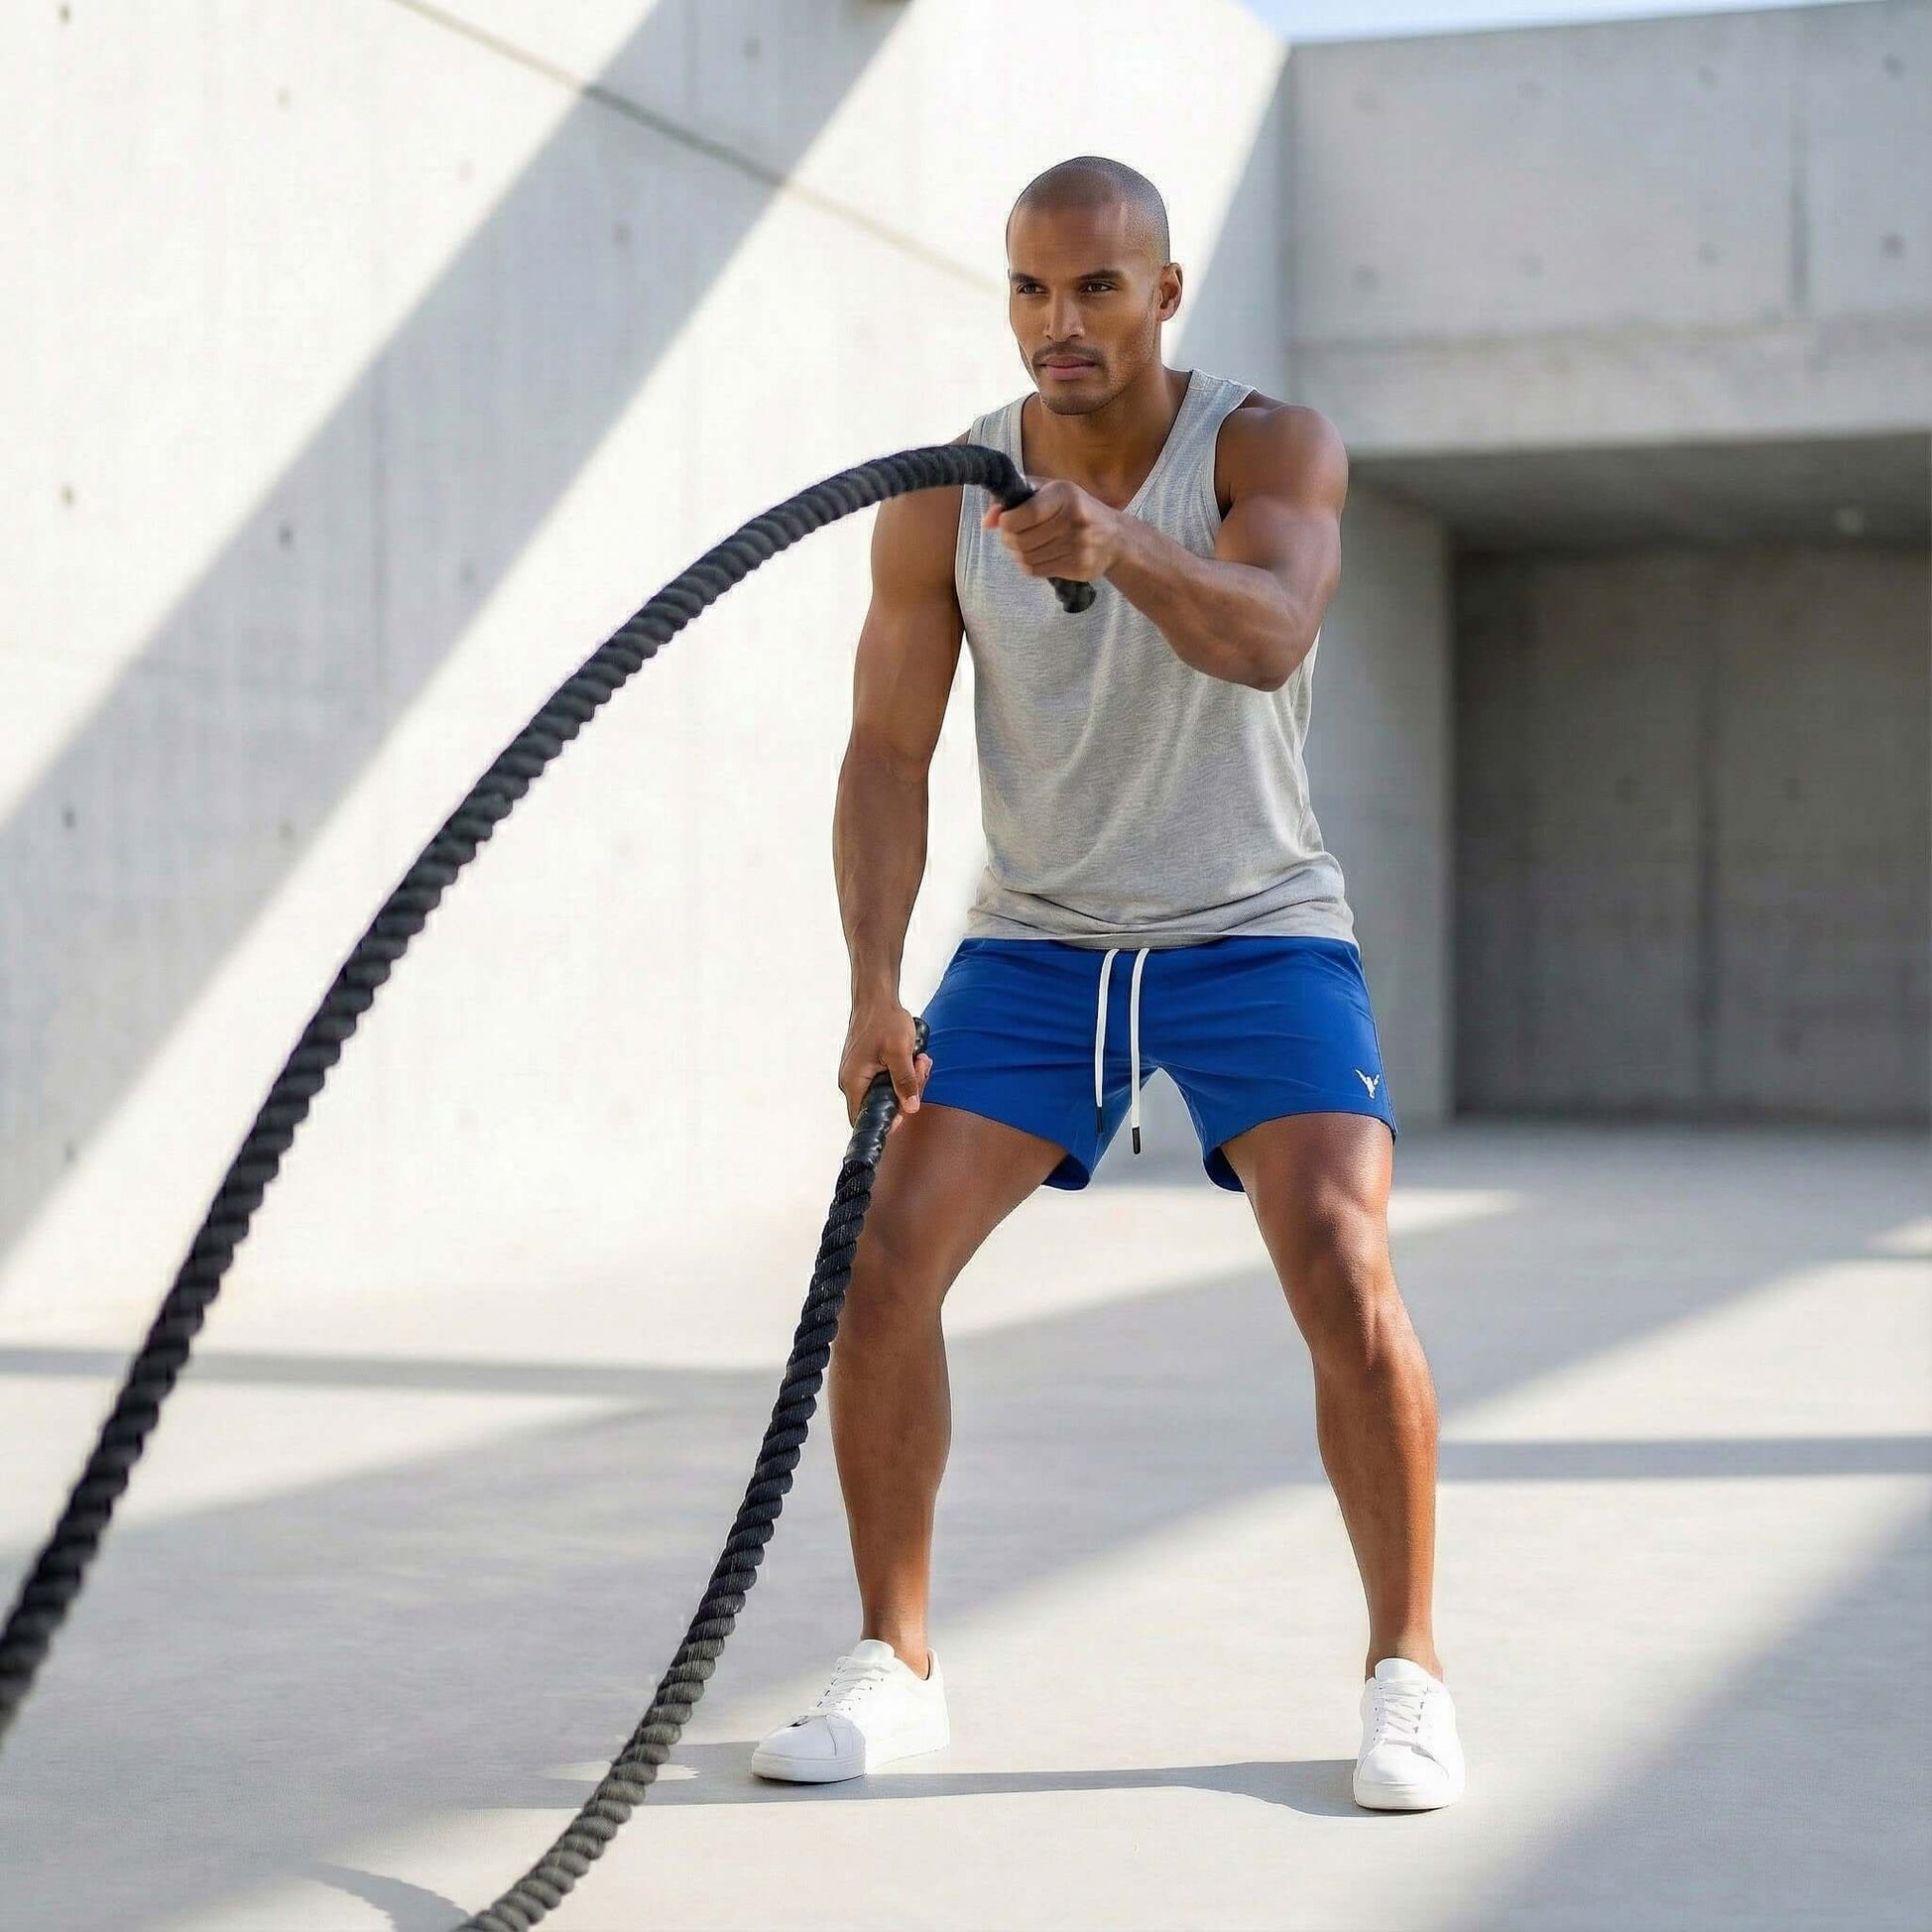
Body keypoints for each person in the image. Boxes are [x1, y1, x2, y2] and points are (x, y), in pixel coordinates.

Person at [750, 156, 1463, 1812]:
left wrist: (1122, 545)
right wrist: (871, 981)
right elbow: (887, 744)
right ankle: (895, 1661)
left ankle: (1408, 1674)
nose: (1057, 323)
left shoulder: (1267, 445)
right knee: (880, 1264)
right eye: (1028, 288)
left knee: (1343, 1262)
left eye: (1095, 288)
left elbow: (1274, 628)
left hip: (1256, 921)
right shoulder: (943, 491)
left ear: (1165, 293)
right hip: (1039, 937)